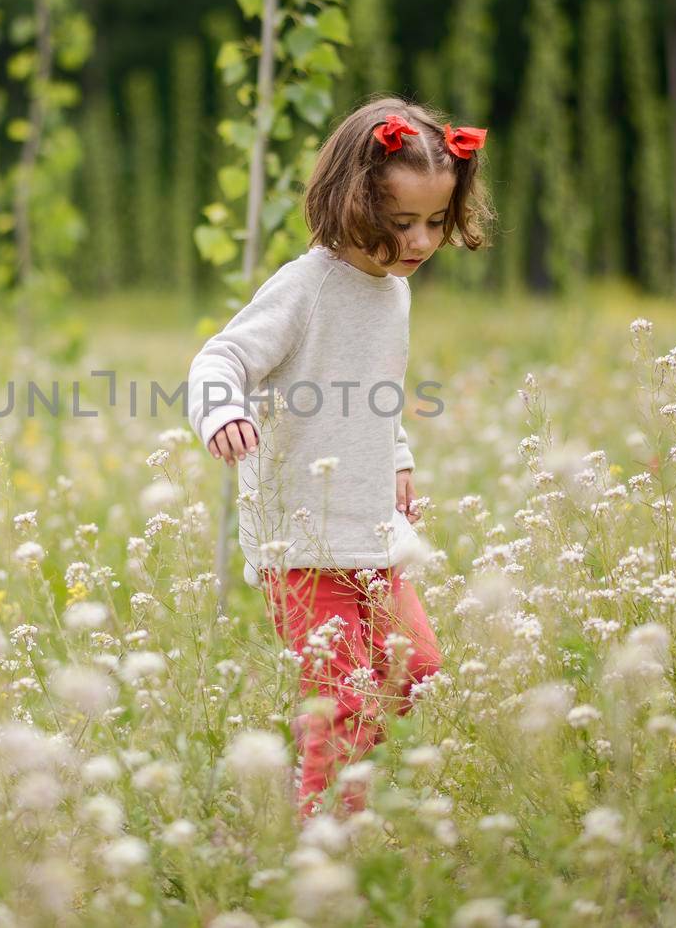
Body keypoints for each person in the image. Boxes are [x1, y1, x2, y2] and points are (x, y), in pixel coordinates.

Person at [186, 96, 493, 816]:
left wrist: (398, 452)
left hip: (371, 530)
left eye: (436, 223)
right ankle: (324, 834)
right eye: (401, 224)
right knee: (343, 699)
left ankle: (328, 786)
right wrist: (223, 410)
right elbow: (220, 357)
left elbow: (376, 387)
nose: (420, 242)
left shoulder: (392, 291)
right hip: (303, 541)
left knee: (419, 670)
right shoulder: (307, 286)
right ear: (351, 203)